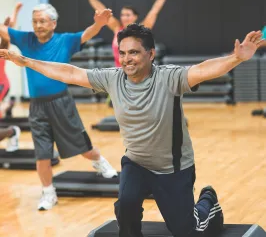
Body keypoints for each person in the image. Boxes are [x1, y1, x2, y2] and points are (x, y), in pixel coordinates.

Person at [0, 24, 262, 236]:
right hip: (135, 164)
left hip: (173, 168)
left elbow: (203, 70)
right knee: (125, 212)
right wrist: (25, 61)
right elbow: (69, 73)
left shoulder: (169, 78)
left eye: (134, 53)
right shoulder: (113, 79)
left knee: (186, 230)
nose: (127, 59)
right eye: (123, 53)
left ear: (150, 54)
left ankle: (208, 201)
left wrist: (236, 59)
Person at [0, 4, 118, 211]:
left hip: (62, 103)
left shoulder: (66, 40)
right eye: (35, 21)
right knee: (42, 153)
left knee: (84, 148)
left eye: (43, 21)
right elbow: (3, 30)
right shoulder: (25, 39)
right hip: (37, 107)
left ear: (53, 23)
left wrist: (99, 23)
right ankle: (48, 192)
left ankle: (99, 159)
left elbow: (88, 33)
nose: (38, 25)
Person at [81, 0, 172, 67]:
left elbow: (154, 11)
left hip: (138, 74)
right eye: (122, 15)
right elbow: (101, 9)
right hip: (121, 74)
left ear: (135, 17)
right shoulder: (117, 27)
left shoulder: (141, 29)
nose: (124, 17)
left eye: (128, 15)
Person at [0, 2, 23, 151]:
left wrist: (14, 12)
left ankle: (13, 131)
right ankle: (9, 105)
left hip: (1, 85)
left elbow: (5, 40)